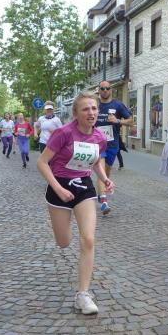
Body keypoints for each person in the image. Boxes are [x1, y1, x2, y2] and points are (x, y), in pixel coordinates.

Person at [37, 92, 114, 315]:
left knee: (88, 239)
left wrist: (104, 179)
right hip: (59, 186)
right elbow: (42, 162)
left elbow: (96, 161)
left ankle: (83, 295)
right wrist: (58, 188)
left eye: (94, 108)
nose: (91, 113)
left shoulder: (99, 137)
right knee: (63, 242)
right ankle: (64, 225)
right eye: (85, 109)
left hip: (83, 186)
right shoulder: (63, 133)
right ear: (76, 113)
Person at [94, 82, 132, 215]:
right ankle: (104, 202)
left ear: (111, 90)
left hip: (112, 144)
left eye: (107, 88)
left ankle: (101, 193)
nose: (105, 90)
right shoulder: (95, 104)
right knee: (101, 170)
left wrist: (118, 121)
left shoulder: (118, 105)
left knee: (107, 171)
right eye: (102, 88)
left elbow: (131, 120)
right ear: (99, 90)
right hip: (98, 144)